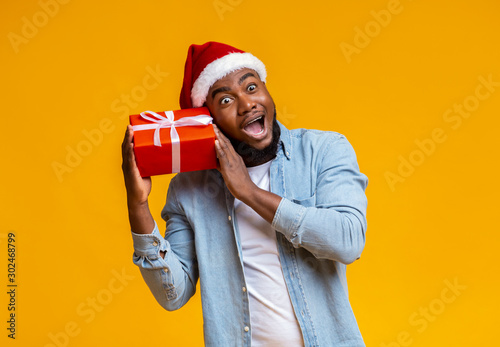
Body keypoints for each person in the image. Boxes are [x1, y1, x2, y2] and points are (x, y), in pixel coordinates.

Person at [121, 41, 369, 347]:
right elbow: (173, 294)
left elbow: (347, 241)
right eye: (225, 100)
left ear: (266, 89)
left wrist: (248, 192)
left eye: (251, 87)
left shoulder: (322, 151)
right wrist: (138, 205)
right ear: (207, 120)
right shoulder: (190, 190)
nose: (246, 104)